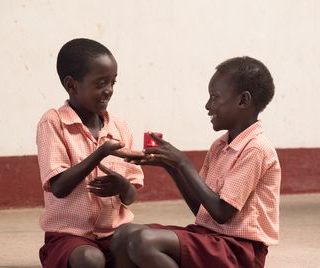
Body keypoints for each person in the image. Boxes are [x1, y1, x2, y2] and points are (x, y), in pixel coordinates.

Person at [110, 56, 281, 268]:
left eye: (215, 97)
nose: (208, 105)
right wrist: (170, 166)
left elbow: (221, 213)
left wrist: (183, 163)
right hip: (211, 237)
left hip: (239, 250)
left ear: (243, 101)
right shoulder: (220, 146)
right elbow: (203, 209)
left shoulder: (256, 148)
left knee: (143, 242)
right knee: (123, 235)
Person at [36, 38, 144, 268]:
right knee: (90, 259)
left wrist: (123, 187)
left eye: (113, 83)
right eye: (101, 83)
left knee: (143, 243)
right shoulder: (53, 122)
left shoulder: (119, 128)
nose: (109, 91)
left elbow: (132, 196)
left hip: (114, 234)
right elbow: (59, 187)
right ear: (71, 85)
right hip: (69, 237)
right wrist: (99, 153)